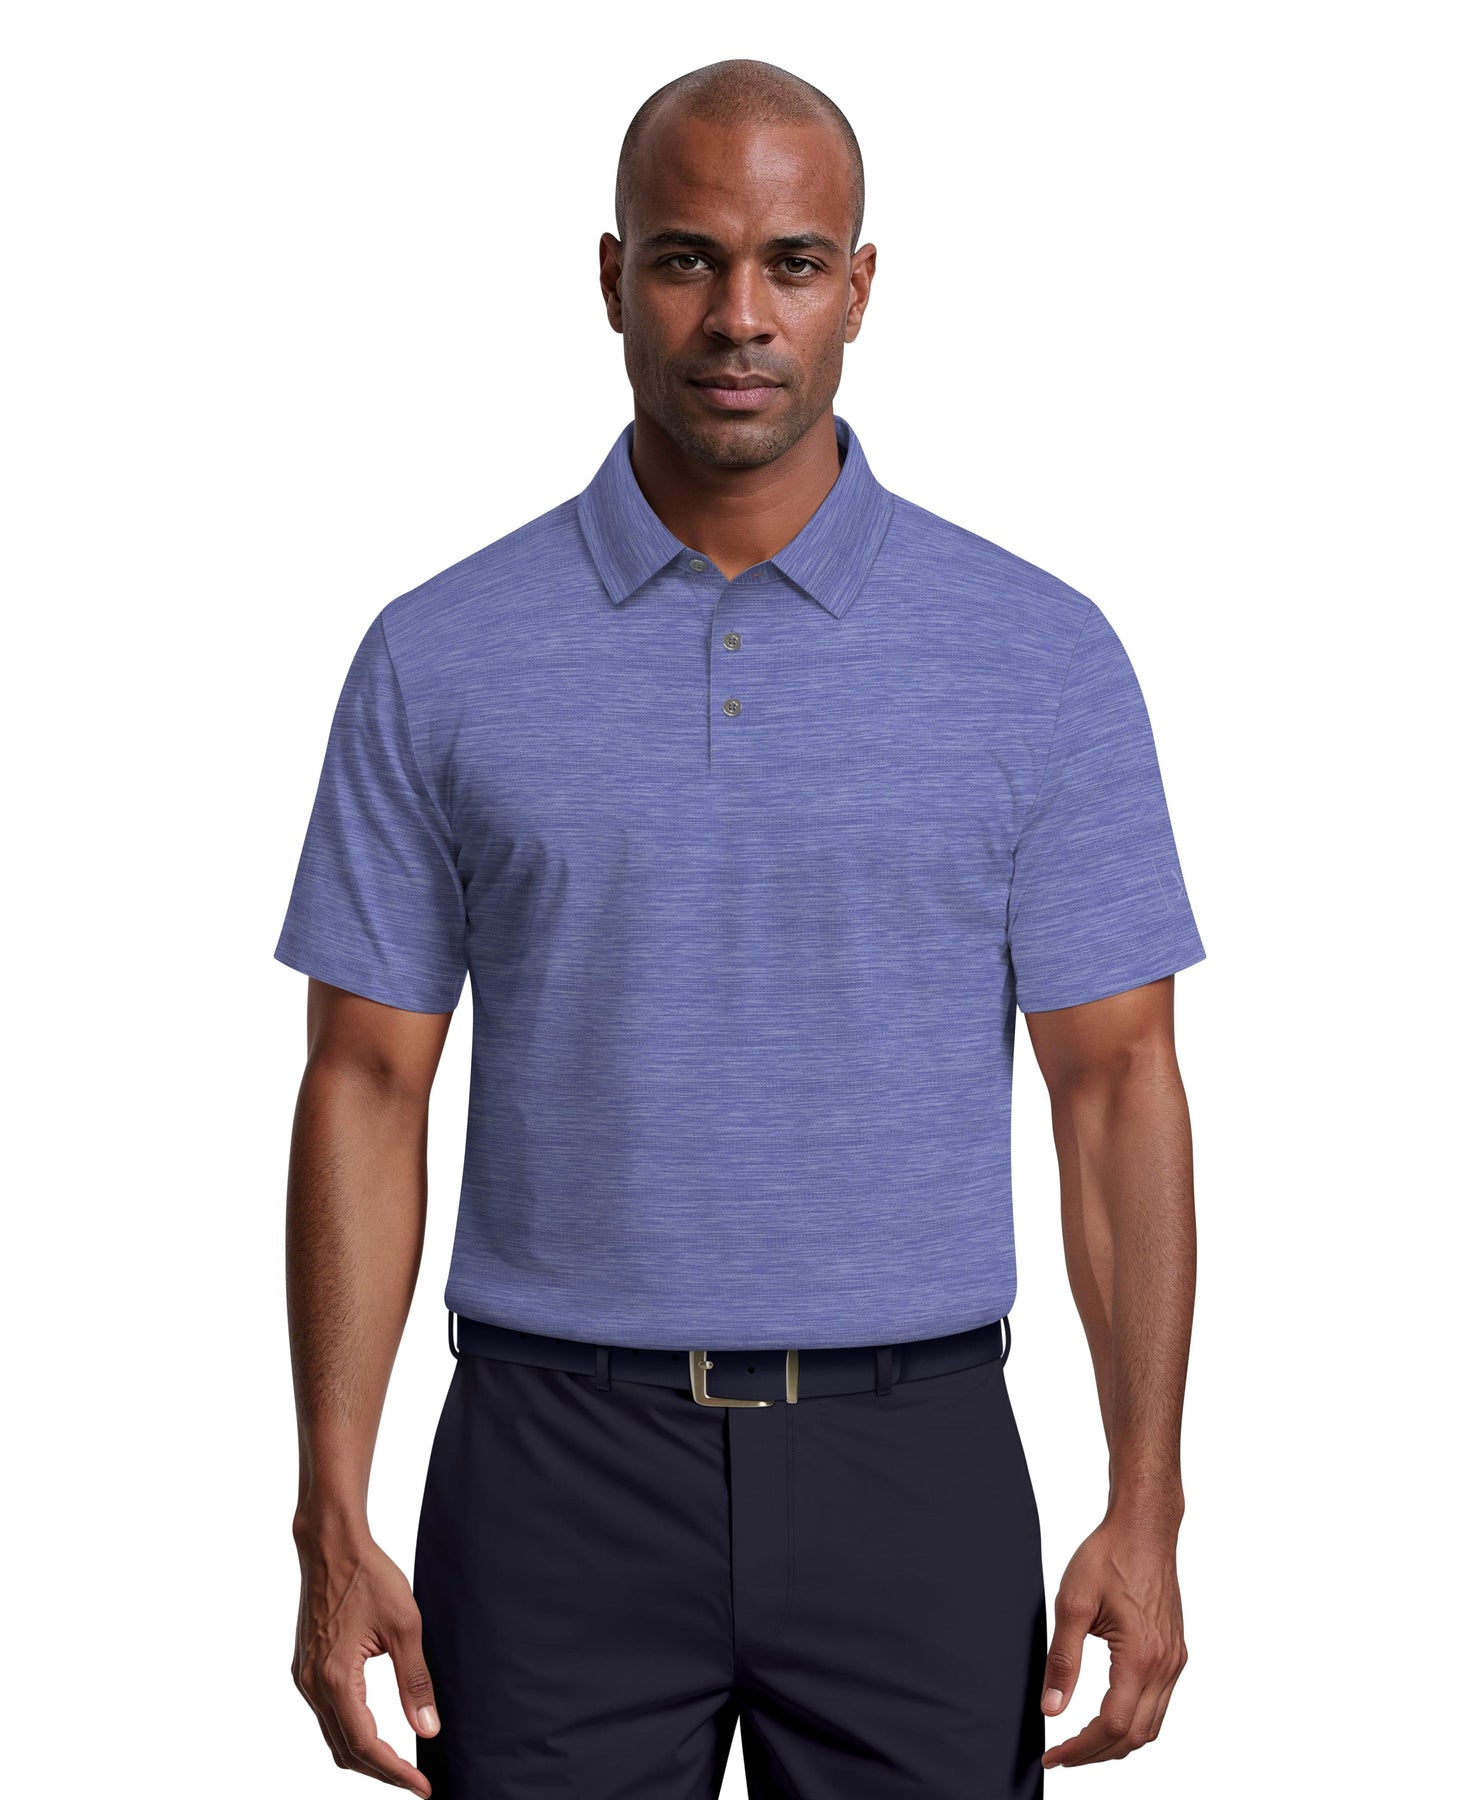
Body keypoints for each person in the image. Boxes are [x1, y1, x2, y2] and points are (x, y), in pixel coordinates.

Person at [277, 57, 1205, 1800]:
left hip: (913, 1461)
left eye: (792, 262)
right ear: (611, 277)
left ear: (860, 287)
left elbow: (1116, 1088)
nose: (738, 316)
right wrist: (332, 1511)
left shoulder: (1035, 654)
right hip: (550, 1465)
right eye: (687, 258)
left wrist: (1144, 1502)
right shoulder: (439, 652)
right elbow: (364, 1086)